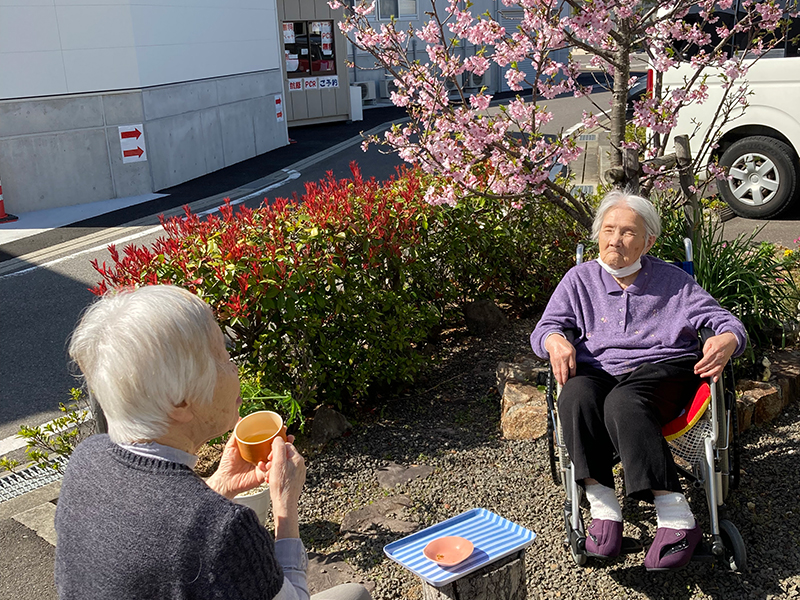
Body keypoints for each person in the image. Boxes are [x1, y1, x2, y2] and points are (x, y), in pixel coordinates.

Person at [56, 285, 372, 600]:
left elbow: (151, 533)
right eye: (222, 356)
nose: (235, 368)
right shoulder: (224, 530)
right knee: (354, 594)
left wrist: (218, 485)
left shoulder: (87, 460)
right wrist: (285, 510)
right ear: (180, 403)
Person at [530, 190, 747, 571]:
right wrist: (554, 340)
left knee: (623, 402)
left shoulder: (673, 281)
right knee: (576, 397)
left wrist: (727, 339)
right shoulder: (579, 279)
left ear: (649, 241)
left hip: (662, 371)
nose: (615, 239)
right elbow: (546, 327)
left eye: (628, 232)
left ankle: (678, 518)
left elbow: (725, 322)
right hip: (598, 370)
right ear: (598, 234)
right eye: (608, 229)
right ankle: (604, 511)